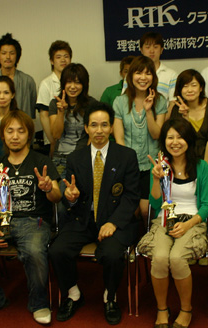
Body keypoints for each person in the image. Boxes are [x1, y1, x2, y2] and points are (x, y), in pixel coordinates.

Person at [0, 110, 61, 323]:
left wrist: (48, 188)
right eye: (10, 131)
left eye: (21, 131)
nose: (15, 136)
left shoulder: (42, 161)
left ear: (29, 135)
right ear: (3, 135)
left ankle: (39, 303)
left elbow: (57, 197)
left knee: (34, 252)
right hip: (3, 221)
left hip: (34, 221)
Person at [49, 102, 140, 325]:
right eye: (94, 125)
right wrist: (71, 197)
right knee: (57, 250)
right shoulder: (75, 158)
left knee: (112, 254)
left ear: (111, 127)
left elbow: (131, 196)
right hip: (83, 219)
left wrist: (114, 223)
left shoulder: (126, 156)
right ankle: (73, 294)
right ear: (86, 128)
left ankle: (110, 296)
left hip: (114, 220)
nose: (99, 130)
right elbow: (71, 195)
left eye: (104, 125)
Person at [139, 118, 208, 328]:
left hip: (192, 221)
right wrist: (155, 179)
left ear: (189, 140)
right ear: (164, 141)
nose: (175, 142)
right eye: (170, 137)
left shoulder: (201, 167)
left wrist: (188, 224)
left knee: (177, 258)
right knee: (160, 258)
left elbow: (207, 206)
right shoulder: (160, 166)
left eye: (180, 137)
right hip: (164, 220)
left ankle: (186, 309)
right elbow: (155, 203)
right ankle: (162, 309)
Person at [113, 55, 167, 221]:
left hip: (151, 165)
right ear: (130, 76)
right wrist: (126, 164)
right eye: (138, 73)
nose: (143, 78)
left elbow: (157, 135)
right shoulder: (120, 102)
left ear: (153, 77)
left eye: (148, 73)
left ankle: (149, 235)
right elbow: (119, 139)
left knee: (146, 211)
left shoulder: (160, 101)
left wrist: (148, 110)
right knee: (131, 210)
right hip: (128, 165)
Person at [168, 69, 208, 211]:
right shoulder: (177, 110)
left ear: (201, 88)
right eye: (185, 86)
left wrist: (203, 171)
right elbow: (182, 140)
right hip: (187, 165)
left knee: (203, 206)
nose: (189, 90)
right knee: (188, 206)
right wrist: (185, 117)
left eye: (193, 85)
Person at [49, 63, 95, 179]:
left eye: (78, 82)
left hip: (82, 157)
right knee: (59, 189)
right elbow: (56, 135)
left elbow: (93, 135)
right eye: (69, 82)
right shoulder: (55, 103)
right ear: (63, 83)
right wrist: (61, 112)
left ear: (84, 84)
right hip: (60, 158)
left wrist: (86, 158)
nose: (73, 87)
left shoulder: (91, 104)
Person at [0, 33, 37, 118]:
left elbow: (32, 110)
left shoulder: (28, 81)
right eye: (4, 53)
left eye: (12, 53)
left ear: (17, 56)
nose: (8, 57)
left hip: (23, 124)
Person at [36, 40, 72, 149]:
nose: (63, 60)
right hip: (53, 140)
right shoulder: (46, 84)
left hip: (72, 138)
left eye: (66, 56)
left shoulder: (75, 82)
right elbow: (44, 116)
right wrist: (52, 141)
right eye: (58, 57)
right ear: (52, 61)